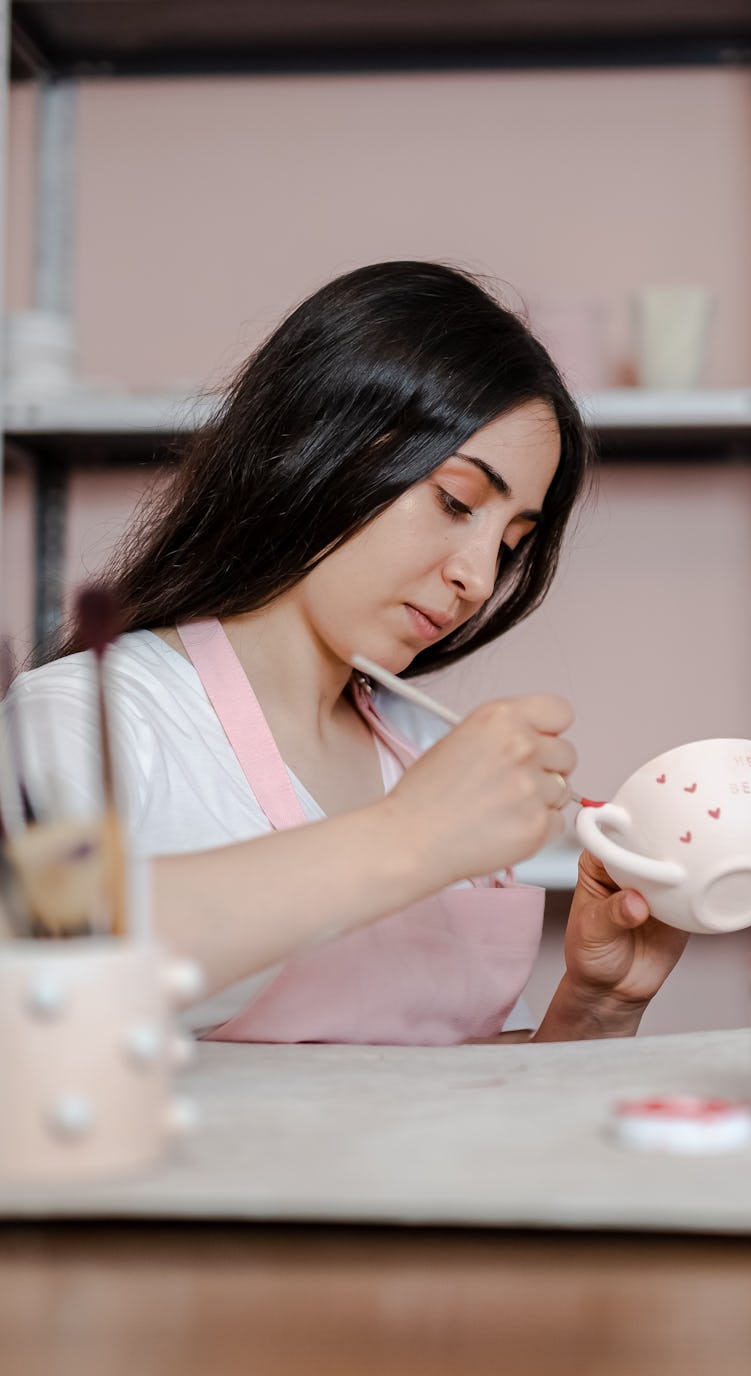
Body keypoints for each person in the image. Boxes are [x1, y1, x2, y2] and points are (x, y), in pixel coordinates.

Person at [8, 261, 688, 1043]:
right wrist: (410, 836)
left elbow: (466, 1090)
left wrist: (595, 1006)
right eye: (455, 501)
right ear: (317, 445)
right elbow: (39, 986)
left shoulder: (425, 747)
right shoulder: (91, 721)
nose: (476, 576)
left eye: (511, 542)